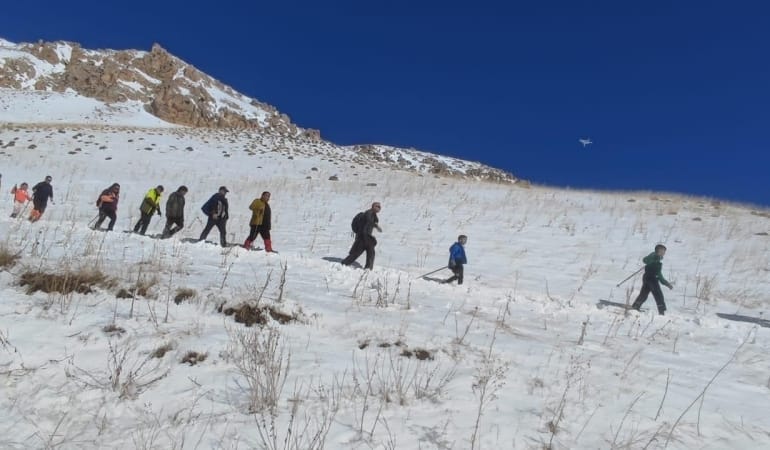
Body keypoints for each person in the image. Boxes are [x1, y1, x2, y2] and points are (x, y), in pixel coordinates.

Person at [631, 244, 674, 315]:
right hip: (652, 279)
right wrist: (654, 257)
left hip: (647, 278)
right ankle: (661, 312)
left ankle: (636, 307)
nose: (664, 253)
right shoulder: (653, 256)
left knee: (644, 294)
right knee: (658, 295)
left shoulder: (657, 260)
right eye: (663, 251)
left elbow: (659, 274)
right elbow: (645, 260)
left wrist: (666, 283)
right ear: (659, 251)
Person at [341, 202, 382, 270]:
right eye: (377, 206)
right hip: (363, 236)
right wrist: (375, 226)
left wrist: (375, 226)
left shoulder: (373, 215)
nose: (379, 208)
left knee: (370, 252)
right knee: (357, 253)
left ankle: (368, 268)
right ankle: (344, 263)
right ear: (373, 206)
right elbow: (368, 222)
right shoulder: (369, 213)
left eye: (380, 207)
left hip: (366, 237)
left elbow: (371, 223)